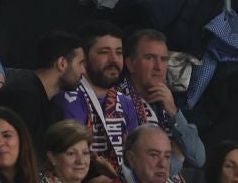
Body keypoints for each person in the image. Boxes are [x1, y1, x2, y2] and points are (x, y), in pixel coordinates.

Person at [52, 26, 139, 176]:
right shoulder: (68, 99)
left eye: (119, 52)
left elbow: (135, 160)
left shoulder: (126, 103)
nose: (114, 59)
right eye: (104, 52)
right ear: (84, 59)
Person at [116, 30, 202, 180]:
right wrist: (176, 158)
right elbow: (130, 172)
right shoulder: (117, 103)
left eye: (163, 59)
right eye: (150, 58)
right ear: (130, 64)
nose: (159, 67)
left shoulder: (167, 102)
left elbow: (198, 157)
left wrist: (174, 112)